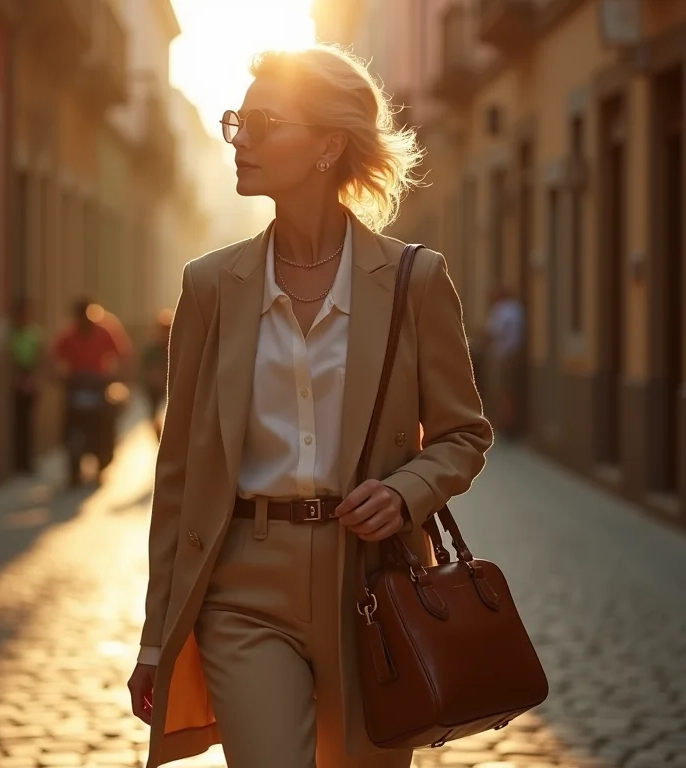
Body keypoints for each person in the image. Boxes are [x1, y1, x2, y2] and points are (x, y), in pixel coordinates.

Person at [127, 46, 493, 768]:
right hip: (241, 584)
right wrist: (156, 631)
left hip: (374, 581)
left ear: (329, 145)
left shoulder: (413, 281)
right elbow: (179, 474)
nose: (242, 139)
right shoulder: (210, 288)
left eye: (265, 122)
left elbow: (462, 434)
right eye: (239, 121)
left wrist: (405, 491)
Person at [51, 298, 127, 485]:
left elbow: (121, 354)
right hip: (76, 386)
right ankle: (73, 468)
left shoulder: (104, 332)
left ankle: (103, 459)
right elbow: (53, 358)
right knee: (69, 424)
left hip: (98, 386)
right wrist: (60, 378)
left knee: (105, 423)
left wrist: (116, 379)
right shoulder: (68, 335)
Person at [485, 285, 525, 438]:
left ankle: (505, 425)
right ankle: (508, 424)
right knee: (509, 391)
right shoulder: (516, 309)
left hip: (503, 356)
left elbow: (492, 332)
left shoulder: (502, 310)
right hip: (513, 355)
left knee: (503, 391)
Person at [9, 297, 43, 474]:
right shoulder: (12, 333)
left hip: (29, 381)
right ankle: (18, 462)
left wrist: (32, 380)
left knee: (28, 424)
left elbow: (39, 358)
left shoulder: (33, 333)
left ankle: (28, 462)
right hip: (16, 381)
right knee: (17, 424)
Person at [141, 309, 174, 439]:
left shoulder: (179, 347)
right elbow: (145, 370)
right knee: (155, 416)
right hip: (155, 388)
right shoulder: (152, 350)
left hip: (173, 387)